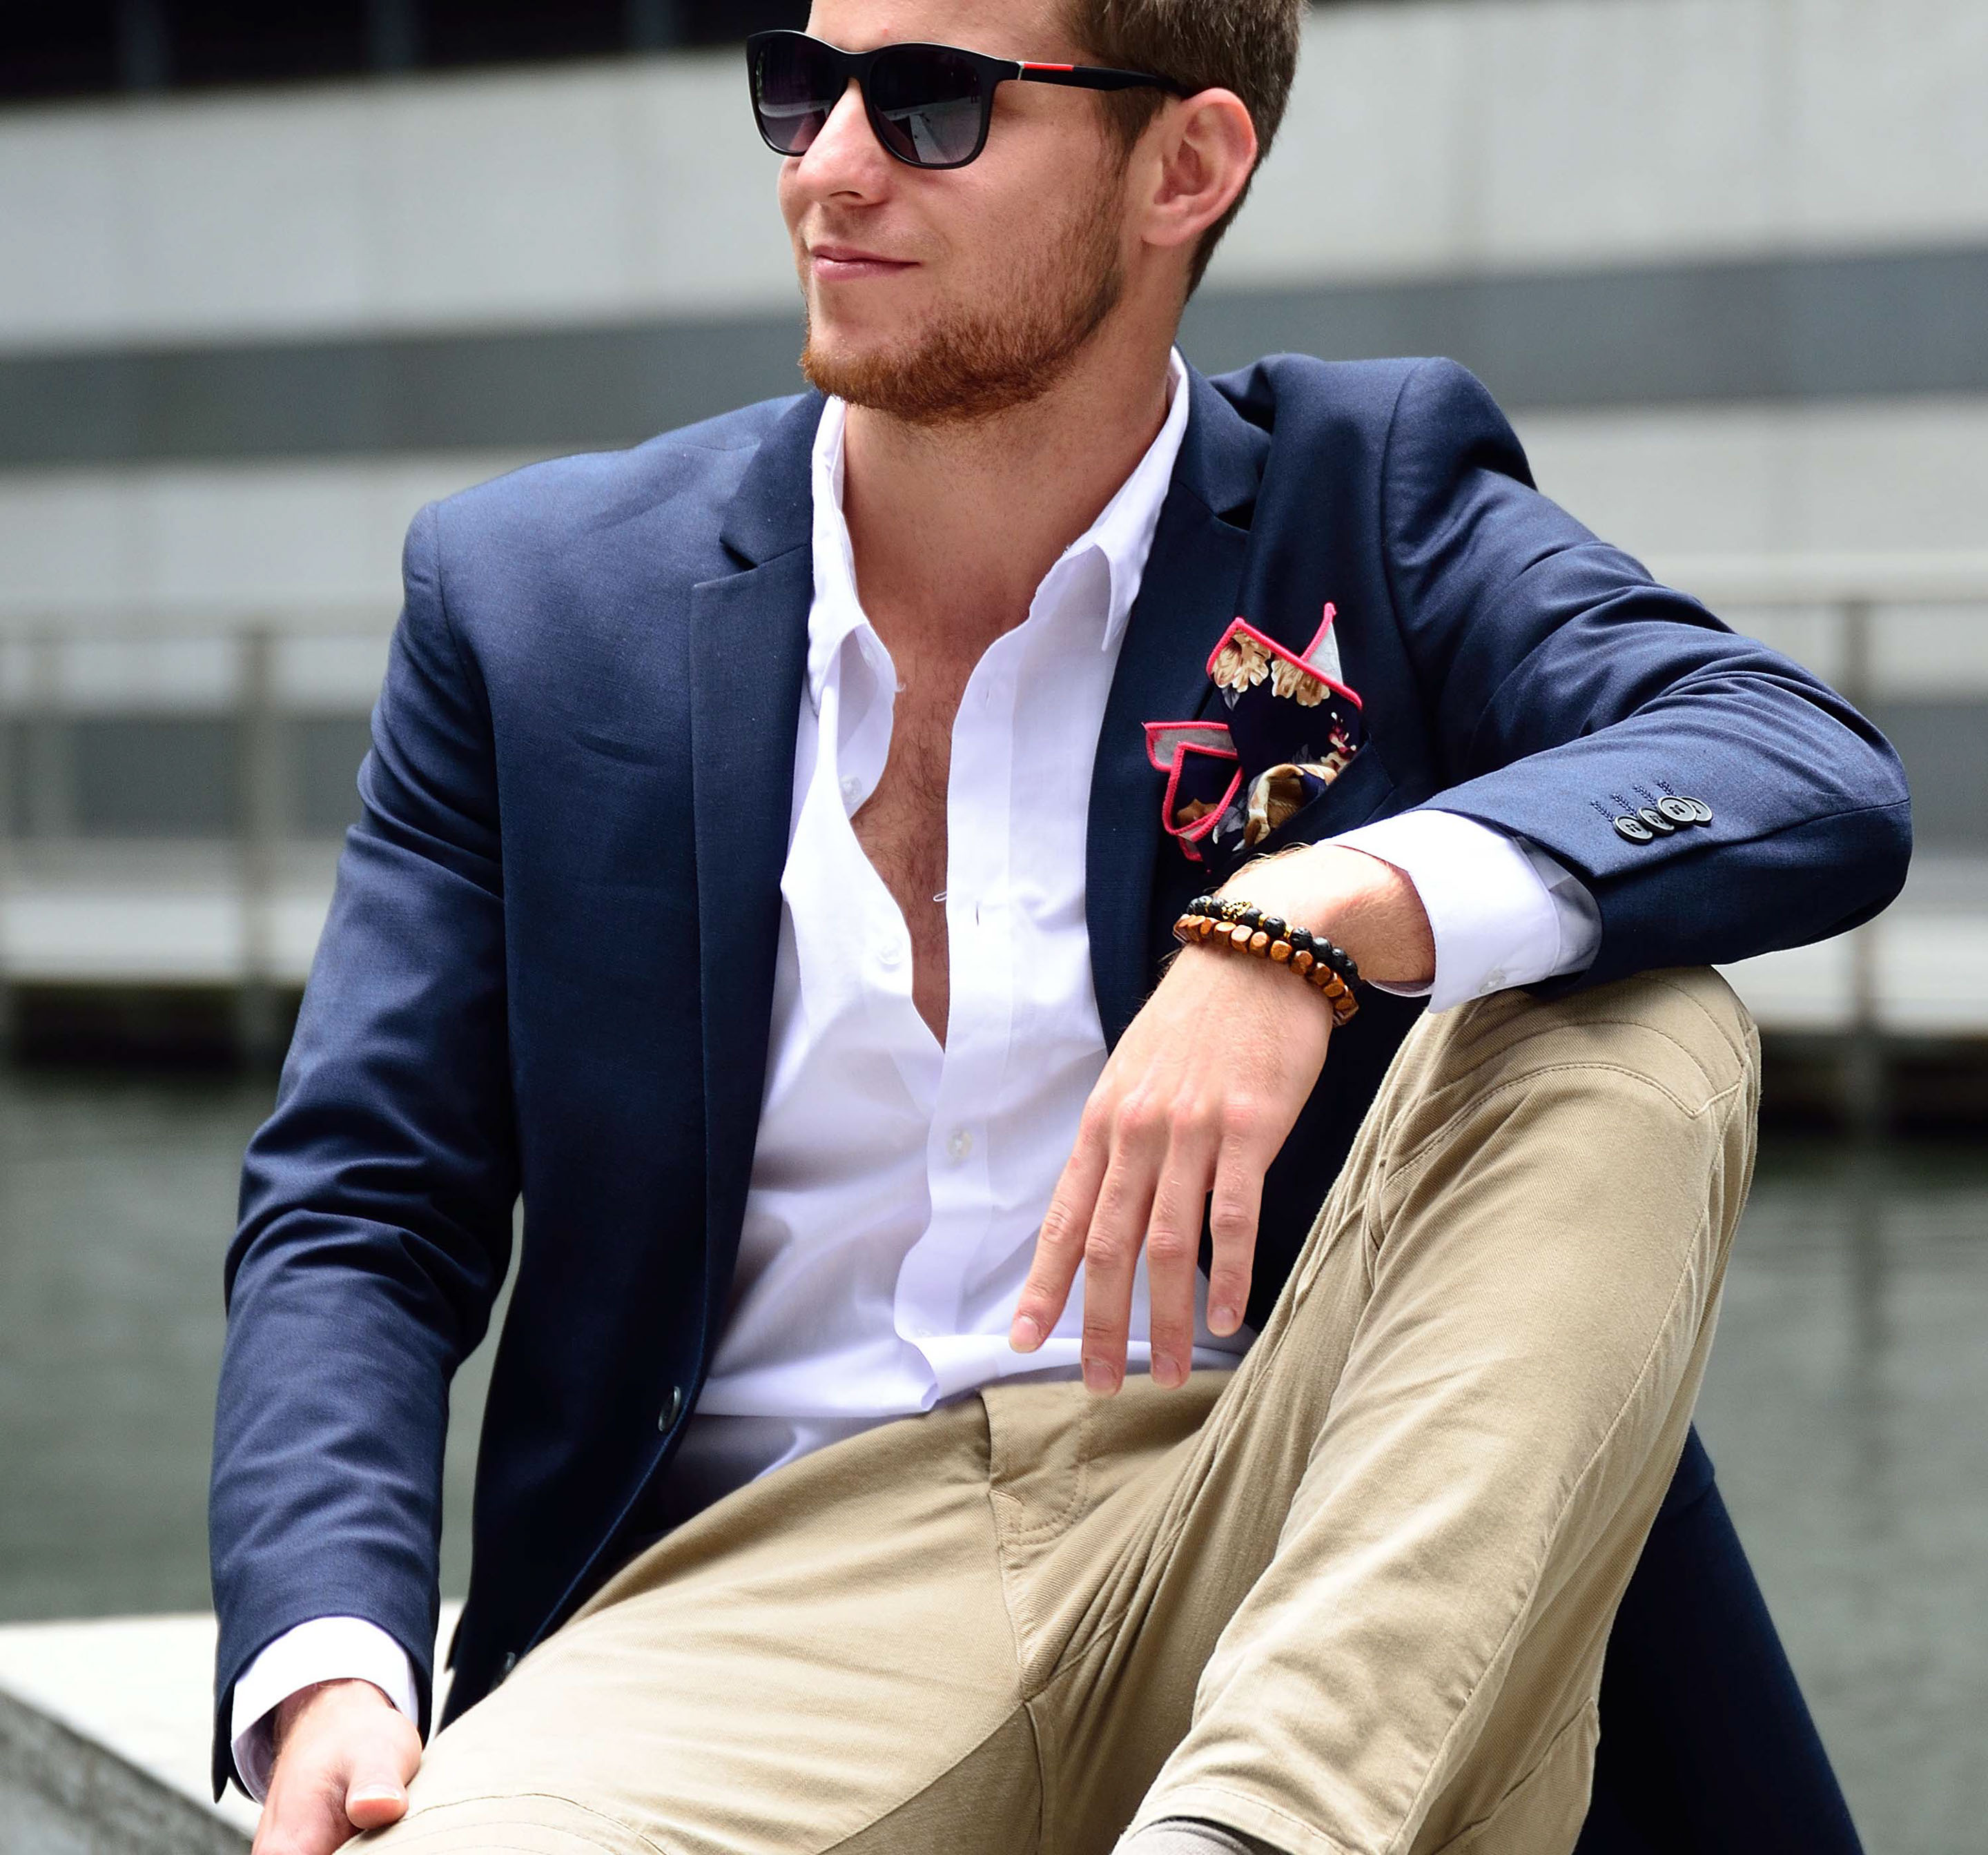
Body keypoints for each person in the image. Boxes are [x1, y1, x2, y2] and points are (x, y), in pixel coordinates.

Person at [209, 3, 1905, 1852]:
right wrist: (328, 1653)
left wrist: (1311, 919)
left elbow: (1791, 761)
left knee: (1638, 1023)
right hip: (758, 1609)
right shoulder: (538, 601)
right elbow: (364, 1202)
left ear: (1185, 166)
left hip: (1300, 1533)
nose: (828, 168)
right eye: (804, 87)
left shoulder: (1370, 494)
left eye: (930, 105)